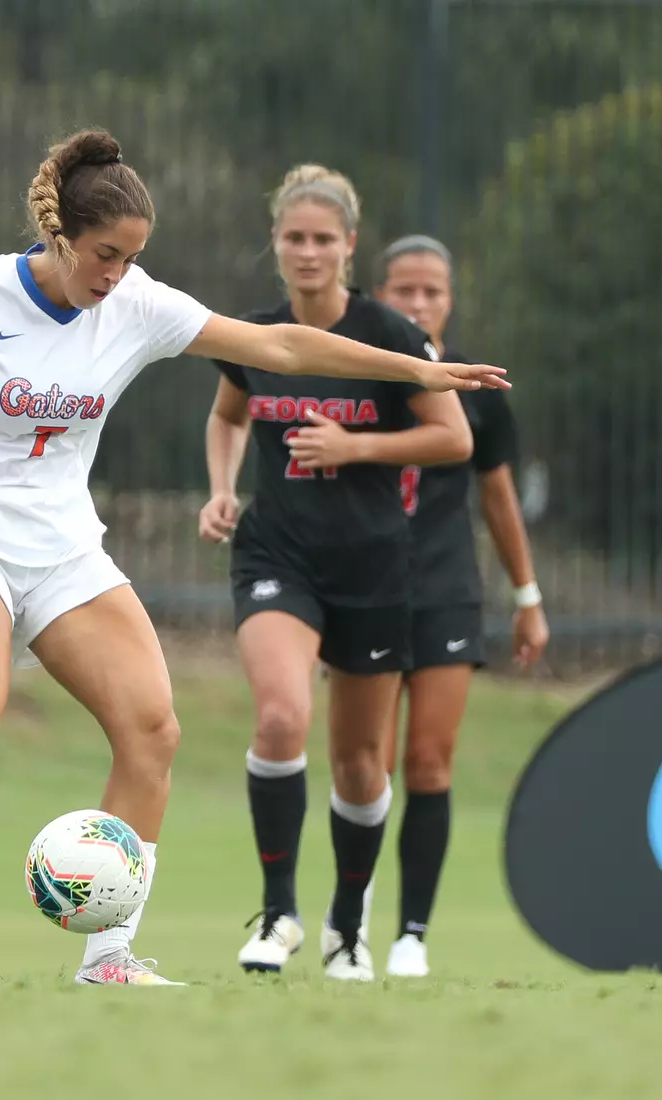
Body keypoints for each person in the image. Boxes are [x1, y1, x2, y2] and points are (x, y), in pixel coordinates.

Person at [0, 129, 508, 987]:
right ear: (58, 238)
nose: (117, 276)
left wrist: (421, 373)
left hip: (63, 540)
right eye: (105, 255)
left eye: (133, 257)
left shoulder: (136, 303)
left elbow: (282, 347)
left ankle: (108, 959)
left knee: (152, 729)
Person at [198, 166, 476, 982]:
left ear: (350, 245)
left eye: (324, 238)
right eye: (294, 237)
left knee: (361, 765)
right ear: (275, 244)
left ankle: (346, 925)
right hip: (278, 556)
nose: (308, 251)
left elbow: (452, 437)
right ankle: (278, 913)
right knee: (282, 717)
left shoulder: (390, 333)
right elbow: (227, 415)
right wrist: (221, 489)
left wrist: (356, 447)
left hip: (376, 566)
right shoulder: (253, 335)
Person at [372, 234, 549, 978]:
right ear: (380, 292)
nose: (417, 303)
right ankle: (350, 918)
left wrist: (528, 597)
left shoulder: (476, 387)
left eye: (431, 292)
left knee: (429, 764)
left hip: (446, 592)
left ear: (450, 300)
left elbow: (499, 498)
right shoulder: (358, 375)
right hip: (366, 590)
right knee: (366, 767)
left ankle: (413, 933)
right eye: (403, 290)